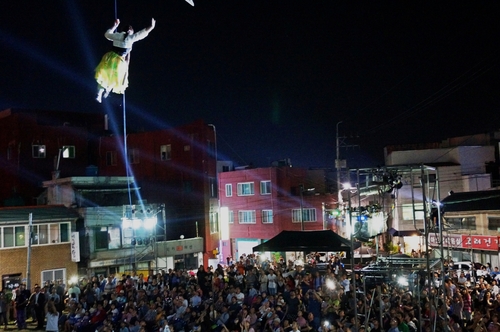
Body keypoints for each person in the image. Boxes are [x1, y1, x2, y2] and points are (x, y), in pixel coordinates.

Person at [95, 18, 156, 102]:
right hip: (119, 61)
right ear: (130, 31)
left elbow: (107, 34)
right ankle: (107, 90)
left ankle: (100, 93)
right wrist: (151, 27)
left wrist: (114, 26)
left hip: (110, 58)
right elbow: (141, 34)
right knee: (116, 78)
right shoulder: (130, 38)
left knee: (105, 75)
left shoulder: (117, 35)